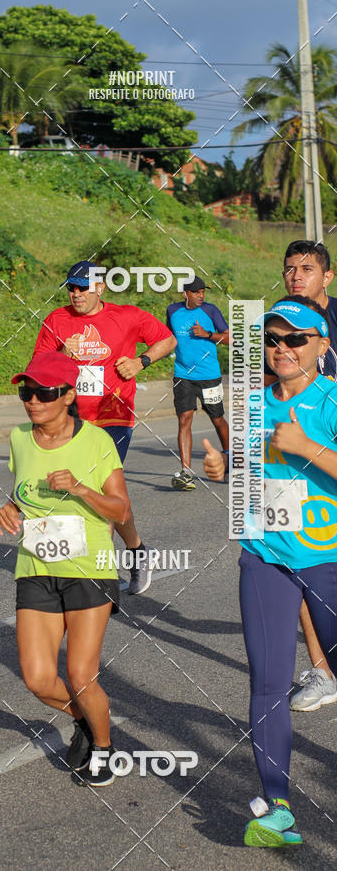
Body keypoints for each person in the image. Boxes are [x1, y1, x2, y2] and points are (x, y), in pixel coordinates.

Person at [203, 297, 337, 847]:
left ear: (322, 346)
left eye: (295, 339)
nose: (281, 349)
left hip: (329, 559)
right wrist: (223, 469)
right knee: (269, 681)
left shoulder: (331, 400)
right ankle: (276, 805)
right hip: (266, 558)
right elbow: (250, 479)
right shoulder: (253, 404)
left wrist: (308, 447)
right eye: (273, 340)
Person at [0, 352, 131, 786]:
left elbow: (121, 510)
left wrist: (79, 487)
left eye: (43, 393)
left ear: (69, 395)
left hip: (89, 568)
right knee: (37, 679)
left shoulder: (96, 442)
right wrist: (9, 508)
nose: (31, 401)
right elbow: (22, 492)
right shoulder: (19, 438)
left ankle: (105, 749)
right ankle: (89, 722)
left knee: (79, 674)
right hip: (35, 566)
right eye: (25, 392)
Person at [33, 260, 176, 595]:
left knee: (92, 489)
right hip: (70, 420)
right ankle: (139, 551)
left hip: (113, 418)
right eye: (71, 287)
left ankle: (98, 575)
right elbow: (36, 367)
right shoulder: (57, 320)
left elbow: (167, 341)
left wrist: (140, 362)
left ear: (100, 287)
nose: (76, 293)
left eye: (83, 287)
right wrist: (61, 356)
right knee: (95, 495)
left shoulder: (128, 316)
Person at [264, 242, 337, 712]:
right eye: (289, 269)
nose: (296, 276)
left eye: (307, 269)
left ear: (326, 277)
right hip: (297, 467)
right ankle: (323, 670)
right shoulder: (278, 324)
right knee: (299, 563)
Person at [165, 275, 230, 491]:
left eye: (203, 291)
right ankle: (186, 472)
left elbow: (230, 338)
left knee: (217, 418)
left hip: (209, 375)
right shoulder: (173, 311)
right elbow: (168, 337)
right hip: (182, 375)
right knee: (184, 419)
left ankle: (231, 460)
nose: (201, 295)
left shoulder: (210, 311)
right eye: (196, 292)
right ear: (185, 294)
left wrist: (208, 334)